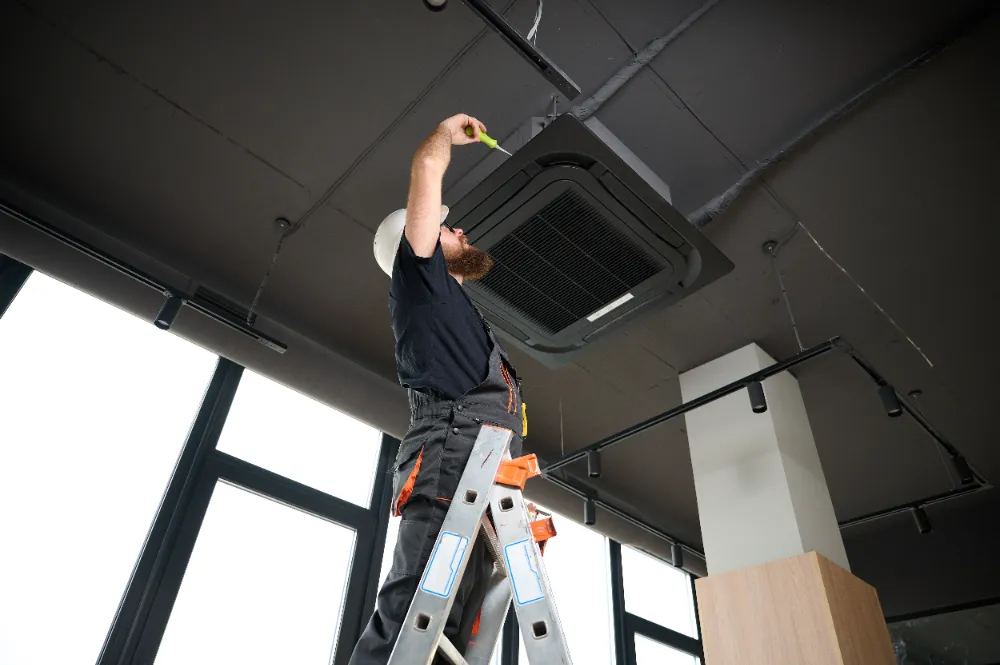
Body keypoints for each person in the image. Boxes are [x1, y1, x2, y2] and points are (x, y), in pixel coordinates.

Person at [349, 114, 526, 665]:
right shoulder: (418, 282)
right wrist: (445, 138)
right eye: (449, 229)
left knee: (451, 629)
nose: (460, 232)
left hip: (480, 474)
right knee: (413, 618)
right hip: (452, 463)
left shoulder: (456, 309)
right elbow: (426, 167)